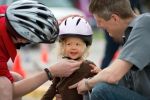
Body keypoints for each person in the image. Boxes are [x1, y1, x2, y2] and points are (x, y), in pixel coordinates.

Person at [0, 0, 82, 100]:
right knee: (4, 85)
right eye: (32, 39)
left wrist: (51, 25)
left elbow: (28, 19)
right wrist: (50, 72)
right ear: (20, 38)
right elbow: (9, 90)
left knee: (16, 79)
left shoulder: (6, 15)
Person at [70, 0, 150, 100]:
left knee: (100, 90)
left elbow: (113, 76)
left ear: (114, 18)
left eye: (101, 22)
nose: (99, 26)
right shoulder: (130, 35)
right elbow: (124, 83)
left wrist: (87, 83)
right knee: (96, 87)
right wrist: (101, 75)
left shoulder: (145, 23)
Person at [41, 16, 99, 100]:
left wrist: (99, 73)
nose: (73, 47)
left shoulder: (89, 66)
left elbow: (101, 85)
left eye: (77, 44)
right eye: (69, 44)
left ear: (85, 46)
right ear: (63, 46)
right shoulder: (61, 66)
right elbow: (53, 88)